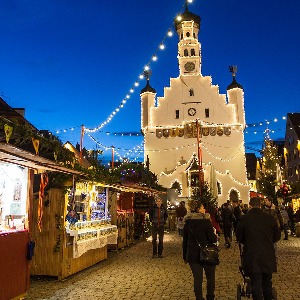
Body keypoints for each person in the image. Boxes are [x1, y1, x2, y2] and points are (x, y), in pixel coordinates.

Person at [236, 197, 281, 300]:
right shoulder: (269, 218)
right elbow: (277, 235)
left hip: (252, 255)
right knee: (267, 282)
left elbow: (239, 237)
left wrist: (248, 242)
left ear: (250, 206)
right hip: (267, 255)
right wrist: (268, 241)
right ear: (260, 205)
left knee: (256, 282)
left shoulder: (244, 219)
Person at [182, 202, 218, 300]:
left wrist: (185, 256)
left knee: (197, 279)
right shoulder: (206, 221)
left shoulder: (188, 223)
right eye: (202, 207)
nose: (204, 209)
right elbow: (212, 239)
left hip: (192, 254)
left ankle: (199, 298)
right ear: (198, 209)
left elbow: (185, 241)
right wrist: (216, 236)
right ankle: (210, 297)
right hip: (207, 253)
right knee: (210, 277)